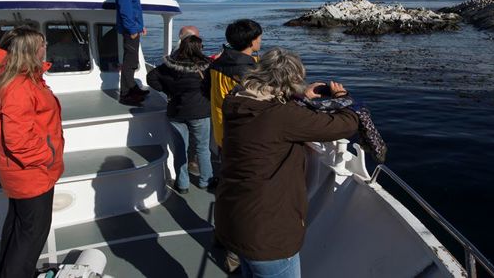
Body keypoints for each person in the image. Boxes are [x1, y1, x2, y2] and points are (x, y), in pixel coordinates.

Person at [215, 48, 362, 278]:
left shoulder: (236, 100)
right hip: (267, 236)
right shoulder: (280, 116)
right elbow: (345, 125)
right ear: (291, 81)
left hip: (234, 219)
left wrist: (300, 94)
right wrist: (343, 98)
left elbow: (272, 107)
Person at [0, 26, 64, 278]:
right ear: (31, 51)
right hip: (32, 173)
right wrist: (48, 156)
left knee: (18, 226)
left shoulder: (15, 79)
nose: (45, 48)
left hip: (21, 173)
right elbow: (18, 141)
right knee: (32, 234)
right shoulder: (19, 87)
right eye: (42, 44)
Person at [146, 35, 212, 194]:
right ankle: (206, 181)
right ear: (198, 48)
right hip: (199, 112)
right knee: (202, 148)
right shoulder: (205, 67)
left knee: (180, 148)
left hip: (176, 111)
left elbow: (151, 78)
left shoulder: (169, 67)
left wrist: (167, 90)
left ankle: (182, 184)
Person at [207, 19, 262, 150]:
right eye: (259, 37)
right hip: (240, 134)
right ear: (252, 41)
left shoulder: (217, 63)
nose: (260, 40)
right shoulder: (246, 71)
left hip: (221, 130)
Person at [115, 0, 150, 105]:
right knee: (129, 63)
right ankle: (126, 95)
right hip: (130, 32)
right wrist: (132, 30)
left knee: (133, 62)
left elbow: (134, 11)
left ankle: (133, 89)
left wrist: (140, 27)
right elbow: (125, 12)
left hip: (134, 29)